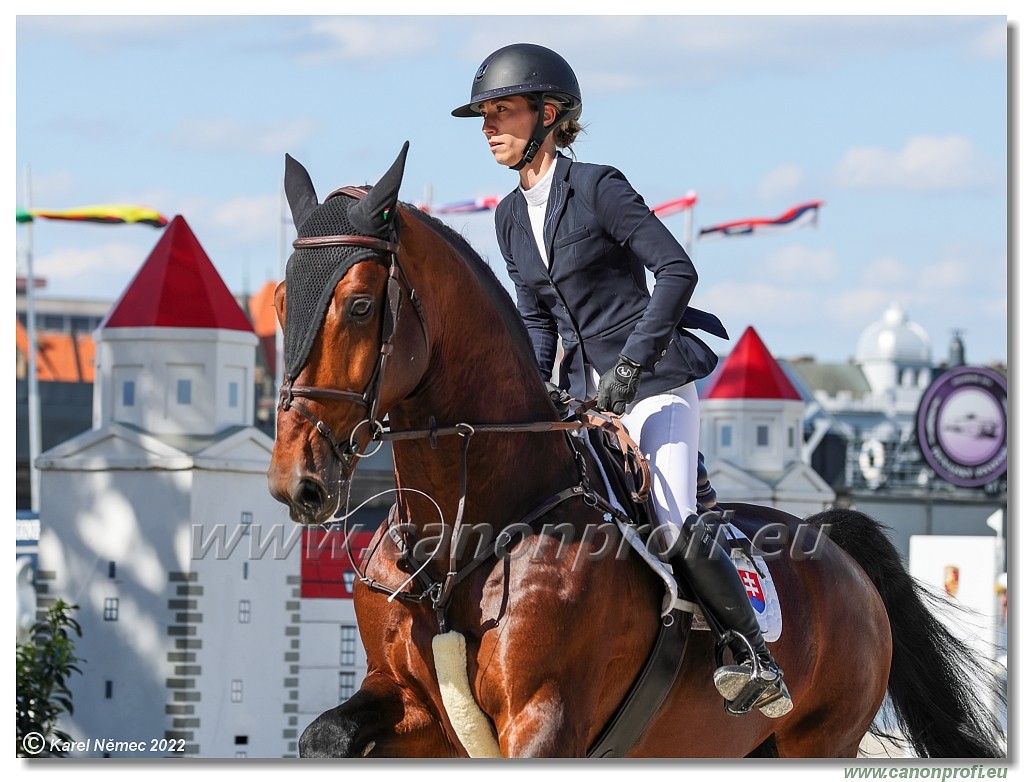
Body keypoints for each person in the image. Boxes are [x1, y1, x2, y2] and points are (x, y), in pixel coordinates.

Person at [452, 42, 792, 718]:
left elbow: (677, 271)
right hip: (583, 401)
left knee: (670, 512)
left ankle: (753, 655)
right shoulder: (508, 216)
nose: (489, 127)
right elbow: (536, 319)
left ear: (549, 114)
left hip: (654, 382)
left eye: (502, 112)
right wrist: (535, 391)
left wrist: (631, 367)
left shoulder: (598, 187)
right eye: (484, 116)